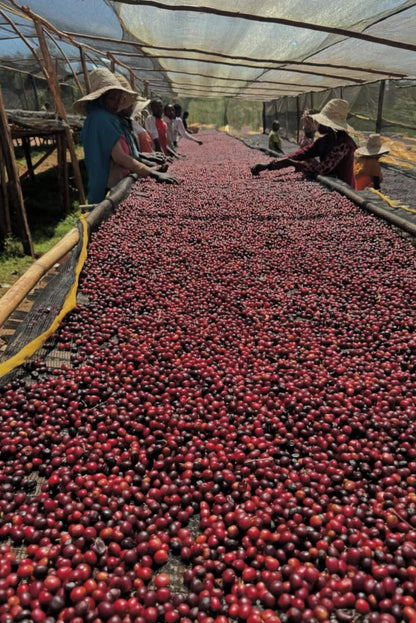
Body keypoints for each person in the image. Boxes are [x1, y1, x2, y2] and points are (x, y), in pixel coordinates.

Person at [73, 69, 176, 204]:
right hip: (108, 187)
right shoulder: (101, 119)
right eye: (111, 98)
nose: (116, 103)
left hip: (114, 182)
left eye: (119, 98)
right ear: (100, 98)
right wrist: (154, 174)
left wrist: (150, 167)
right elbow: (120, 157)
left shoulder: (102, 118)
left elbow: (127, 154)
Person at [251, 99, 356, 188]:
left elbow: (323, 168)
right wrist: (270, 165)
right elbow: (302, 153)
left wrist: (293, 164)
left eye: (321, 123)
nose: (317, 125)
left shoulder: (344, 143)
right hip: (329, 185)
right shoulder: (324, 141)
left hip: (344, 189)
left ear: (329, 125)